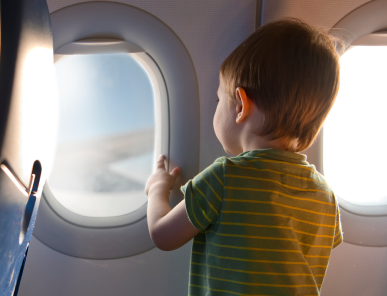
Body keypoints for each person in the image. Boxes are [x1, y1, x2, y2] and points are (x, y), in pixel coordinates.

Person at [145, 18, 342, 295]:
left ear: (240, 105)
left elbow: (163, 235)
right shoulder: (326, 196)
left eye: (218, 100)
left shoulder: (225, 178)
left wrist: (157, 189)